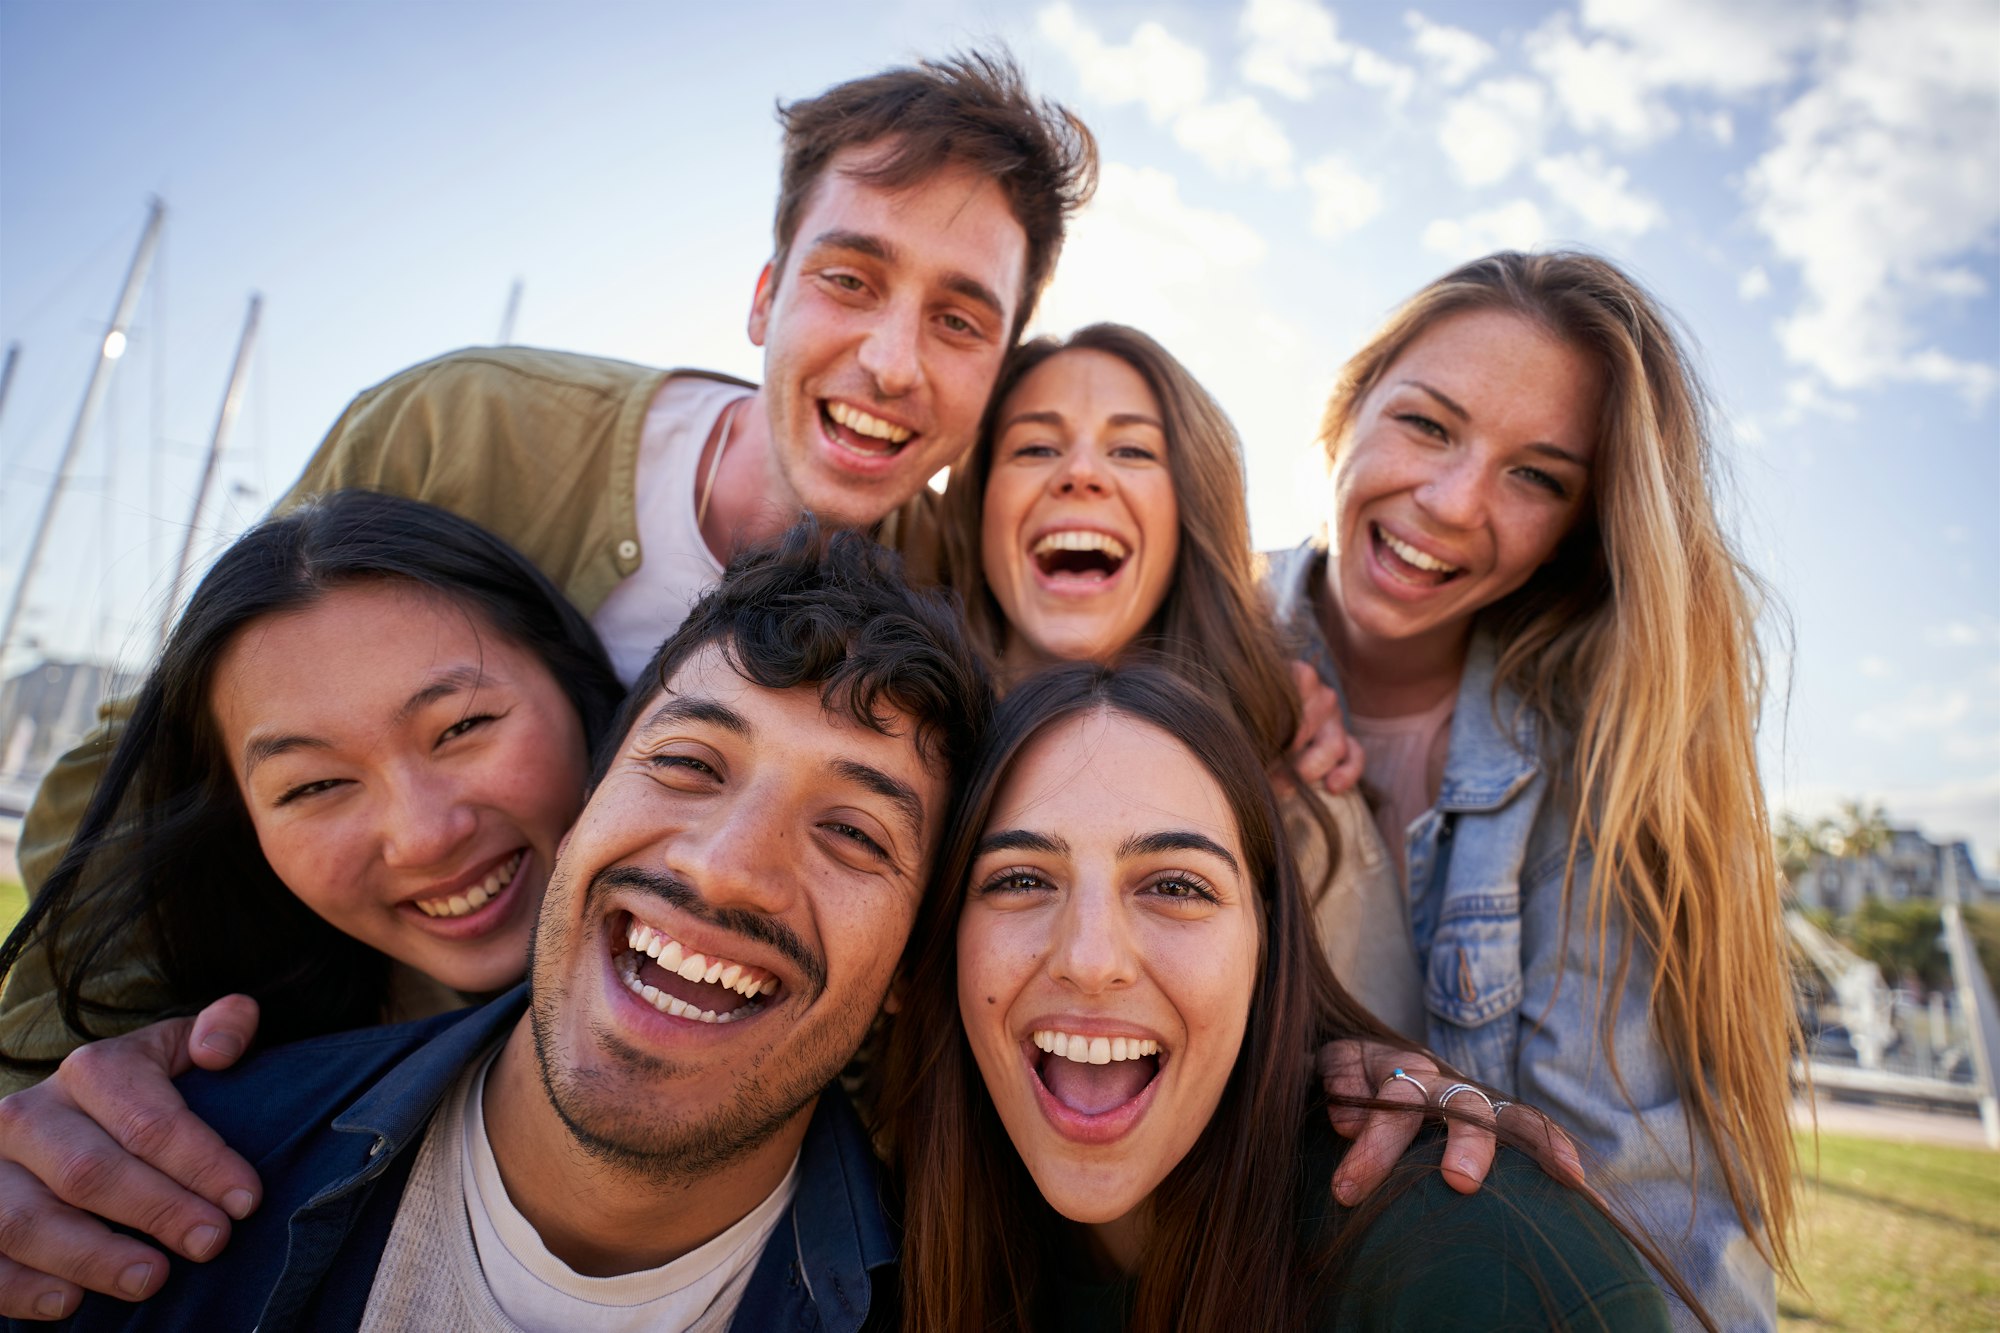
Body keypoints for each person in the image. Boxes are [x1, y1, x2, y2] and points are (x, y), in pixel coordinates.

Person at [7, 521, 992, 1331]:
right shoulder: (144, 1189)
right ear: (593, 798)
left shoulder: (942, 1302)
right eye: (688, 765)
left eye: (854, 832)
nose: (723, 865)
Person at [1267, 250, 1796, 1329]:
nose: (1453, 502)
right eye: (1425, 424)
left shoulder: (1595, 765)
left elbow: (1645, 1216)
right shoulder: (1171, 630)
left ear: (1576, 528)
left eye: (1536, 476)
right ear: (1344, 409)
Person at [882, 663, 1691, 1330]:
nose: (1092, 961)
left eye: (1175, 885)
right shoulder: (893, 1243)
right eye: (1021, 879)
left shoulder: (1481, 1268)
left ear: (1267, 947)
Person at [0, 489, 624, 1084]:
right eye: (314, 786)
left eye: (462, 726)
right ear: (244, 825)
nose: (424, 838)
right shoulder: (204, 1082)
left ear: (573, 685)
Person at [936, 322, 1418, 1035]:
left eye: (1131, 449)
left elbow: (1390, 1073)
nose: (1080, 473)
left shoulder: (1297, 800)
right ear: (978, 507)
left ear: (1188, 508)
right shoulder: (905, 759)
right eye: (1036, 447)